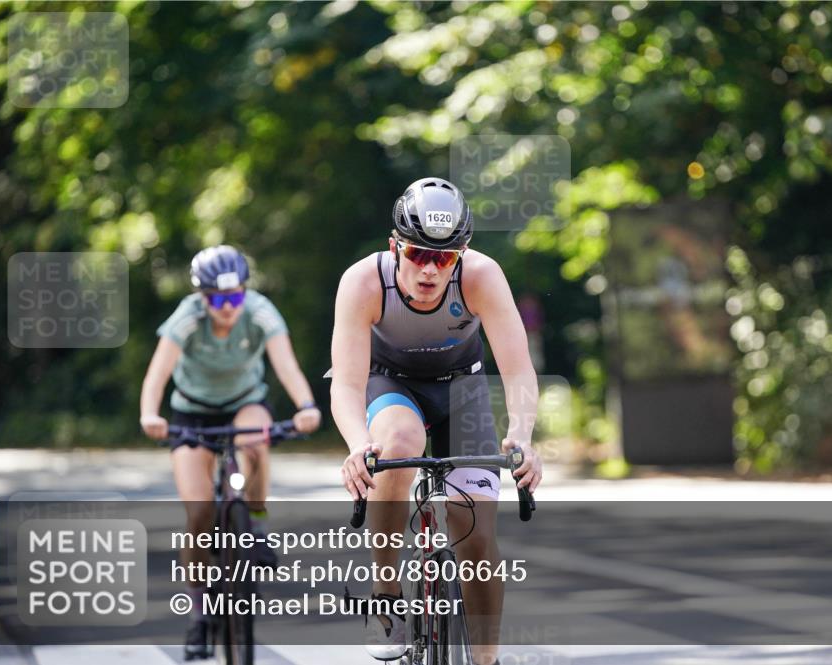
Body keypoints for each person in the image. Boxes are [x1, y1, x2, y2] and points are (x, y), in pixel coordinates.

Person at [330, 178, 543, 665]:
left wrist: (523, 437)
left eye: (444, 258)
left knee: (476, 532)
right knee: (398, 443)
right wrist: (359, 445)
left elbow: (517, 368)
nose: (429, 269)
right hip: (389, 385)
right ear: (395, 247)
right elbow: (345, 383)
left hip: (460, 388)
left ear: (461, 255)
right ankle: (387, 597)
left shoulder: (483, 276)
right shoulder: (363, 282)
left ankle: (486, 658)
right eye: (418, 254)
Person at [139, 245, 321, 660]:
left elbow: (286, 365)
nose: (228, 307)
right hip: (192, 412)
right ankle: (200, 612)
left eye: (235, 296)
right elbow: (157, 372)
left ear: (244, 291)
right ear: (202, 297)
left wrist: (306, 406)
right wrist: (150, 414)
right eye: (218, 299)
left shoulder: (260, 312)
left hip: (245, 401)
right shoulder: (187, 318)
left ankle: (254, 518)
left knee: (255, 440)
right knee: (199, 510)